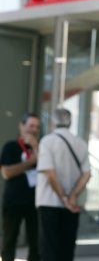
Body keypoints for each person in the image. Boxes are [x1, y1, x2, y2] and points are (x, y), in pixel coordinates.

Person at [35, 108, 91, 261]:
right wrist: (72, 197)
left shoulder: (47, 141)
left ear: (52, 122)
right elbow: (87, 174)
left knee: (49, 248)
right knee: (67, 248)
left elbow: (50, 174)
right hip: (73, 205)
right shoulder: (80, 143)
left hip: (49, 202)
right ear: (70, 122)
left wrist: (64, 198)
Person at [0, 112, 41, 261]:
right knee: (9, 239)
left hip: (36, 202)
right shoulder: (11, 147)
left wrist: (37, 148)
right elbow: (6, 172)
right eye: (31, 125)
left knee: (36, 241)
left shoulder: (42, 148)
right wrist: (30, 163)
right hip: (14, 201)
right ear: (22, 126)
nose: (34, 129)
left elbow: (49, 169)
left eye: (37, 127)